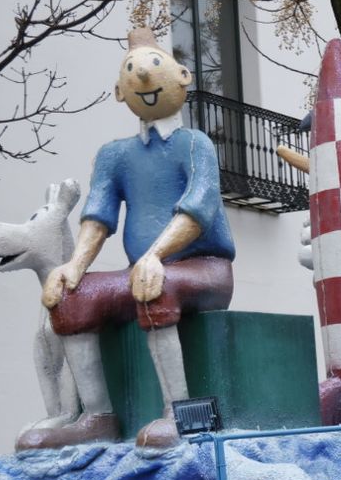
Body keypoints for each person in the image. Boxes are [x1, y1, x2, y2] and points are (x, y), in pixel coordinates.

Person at [24, 27, 237, 451]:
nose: (143, 78)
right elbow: (98, 217)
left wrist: (156, 254)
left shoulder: (195, 145)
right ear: (120, 92)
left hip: (205, 269)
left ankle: (176, 412)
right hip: (142, 270)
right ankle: (96, 416)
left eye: (155, 68)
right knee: (70, 297)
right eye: (132, 72)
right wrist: (73, 268)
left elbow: (197, 209)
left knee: (152, 285)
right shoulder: (114, 155)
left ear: (182, 76)